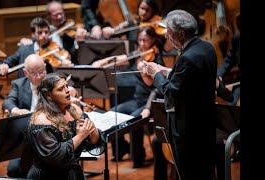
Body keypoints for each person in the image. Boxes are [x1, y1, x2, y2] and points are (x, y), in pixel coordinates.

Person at [143, 9, 217, 179]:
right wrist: (168, 71)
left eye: (169, 32)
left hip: (189, 132)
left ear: (181, 34)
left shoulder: (187, 58)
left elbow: (171, 93)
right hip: (206, 126)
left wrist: (156, 75)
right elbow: (191, 79)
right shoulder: (206, 47)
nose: (167, 36)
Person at [105, 25, 166, 168]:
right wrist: (101, 63)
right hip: (137, 100)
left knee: (133, 121)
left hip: (150, 102)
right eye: (139, 40)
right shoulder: (139, 54)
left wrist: (148, 108)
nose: (142, 44)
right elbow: (119, 58)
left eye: (145, 40)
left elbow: (155, 89)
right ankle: (122, 149)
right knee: (113, 113)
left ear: (152, 40)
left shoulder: (156, 60)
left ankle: (138, 157)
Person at [26, 73, 105, 180]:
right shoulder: (41, 120)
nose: (67, 90)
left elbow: (92, 143)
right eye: (60, 89)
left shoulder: (75, 111)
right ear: (49, 95)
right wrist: (80, 135)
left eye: (66, 86)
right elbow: (55, 158)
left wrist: (94, 133)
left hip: (73, 174)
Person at [2, 53, 47, 177]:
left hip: (47, 137)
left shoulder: (52, 84)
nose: (39, 77)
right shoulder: (18, 84)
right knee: (13, 169)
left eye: (42, 71)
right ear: (26, 73)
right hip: (25, 138)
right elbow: (7, 102)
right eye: (34, 73)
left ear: (45, 67)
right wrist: (16, 110)